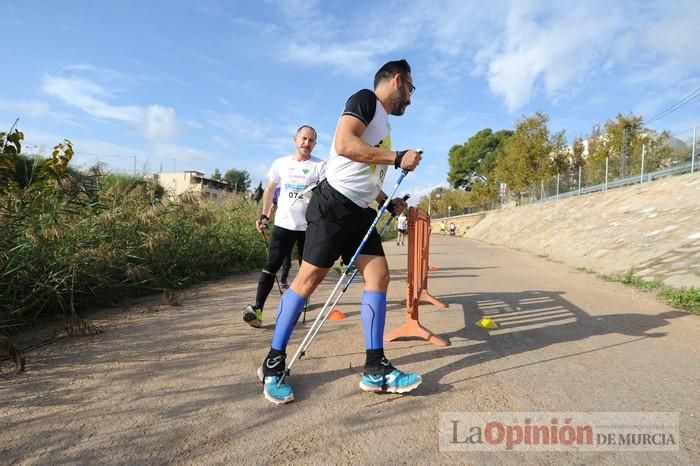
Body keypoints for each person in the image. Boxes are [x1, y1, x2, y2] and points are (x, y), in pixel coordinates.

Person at [258, 59, 423, 404]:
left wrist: (383, 200)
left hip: (359, 211)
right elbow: (345, 144)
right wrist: (396, 158)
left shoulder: (383, 122)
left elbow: (359, 170)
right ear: (397, 81)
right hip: (333, 206)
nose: (410, 96)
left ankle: (375, 367)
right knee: (308, 281)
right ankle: (273, 364)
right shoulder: (365, 100)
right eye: (410, 88)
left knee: (378, 276)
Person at [242, 125, 326, 328]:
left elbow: (325, 194)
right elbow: (270, 189)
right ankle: (258, 309)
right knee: (271, 266)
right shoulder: (281, 163)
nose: (307, 143)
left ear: (315, 143)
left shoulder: (320, 166)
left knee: (307, 267)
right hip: (284, 224)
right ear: (295, 139)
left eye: (311, 140)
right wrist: (264, 215)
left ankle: (302, 298)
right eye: (304, 139)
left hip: (309, 225)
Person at [268, 187, 299, 289]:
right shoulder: (278, 190)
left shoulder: (300, 186)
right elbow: (273, 206)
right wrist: (266, 219)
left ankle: (300, 284)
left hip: (301, 227)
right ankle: (283, 279)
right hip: (283, 227)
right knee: (286, 255)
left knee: (300, 256)